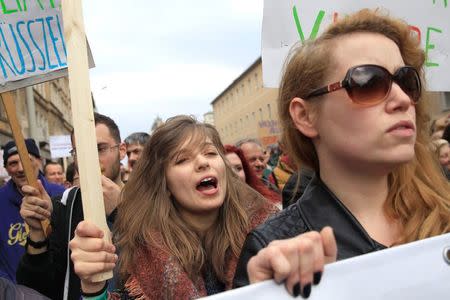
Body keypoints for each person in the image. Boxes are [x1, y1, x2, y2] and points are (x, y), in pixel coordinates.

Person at [233, 9, 450, 298]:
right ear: (305, 116)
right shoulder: (274, 251)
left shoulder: (443, 211)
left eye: (406, 81)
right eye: (368, 82)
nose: (402, 100)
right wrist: (266, 295)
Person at [69, 115, 278, 299]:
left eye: (211, 153)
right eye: (182, 160)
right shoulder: (141, 253)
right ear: (165, 184)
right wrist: (93, 288)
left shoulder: (270, 231)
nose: (203, 163)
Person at [16, 113, 127, 300]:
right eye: (79, 152)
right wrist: (37, 231)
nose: (90, 160)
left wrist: (121, 211)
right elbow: (36, 287)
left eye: (100, 148)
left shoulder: (146, 201)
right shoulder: (66, 204)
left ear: (121, 150)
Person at [0, 138, 64, 283]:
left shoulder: (62, 195)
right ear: (6, 169)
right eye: (13, 163)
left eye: (27, 160)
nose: (21, 168)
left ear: (39, 161)